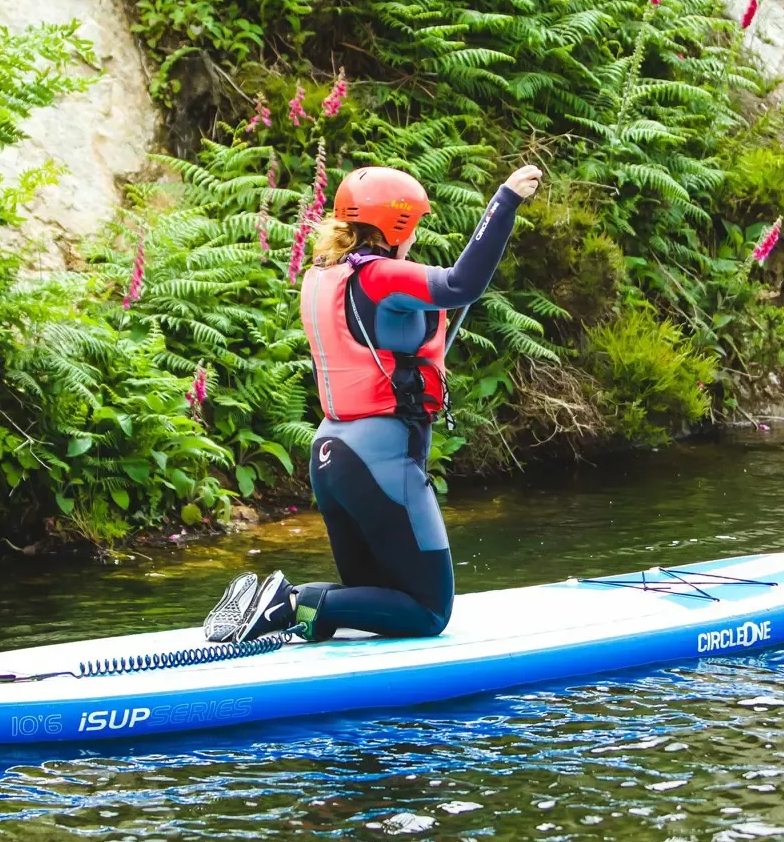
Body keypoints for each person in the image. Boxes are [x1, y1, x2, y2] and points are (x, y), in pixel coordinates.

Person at [202, 162, 542, 644]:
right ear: (396, 224)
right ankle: (289, 601)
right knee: (426, 612)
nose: (416, 237)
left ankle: (279, 606)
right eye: (415, 224)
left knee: (376, 598)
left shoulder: (322, 275)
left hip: (331, 454)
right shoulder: (381, 276)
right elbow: (462, 284)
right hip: (381, 459)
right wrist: (504, 201)